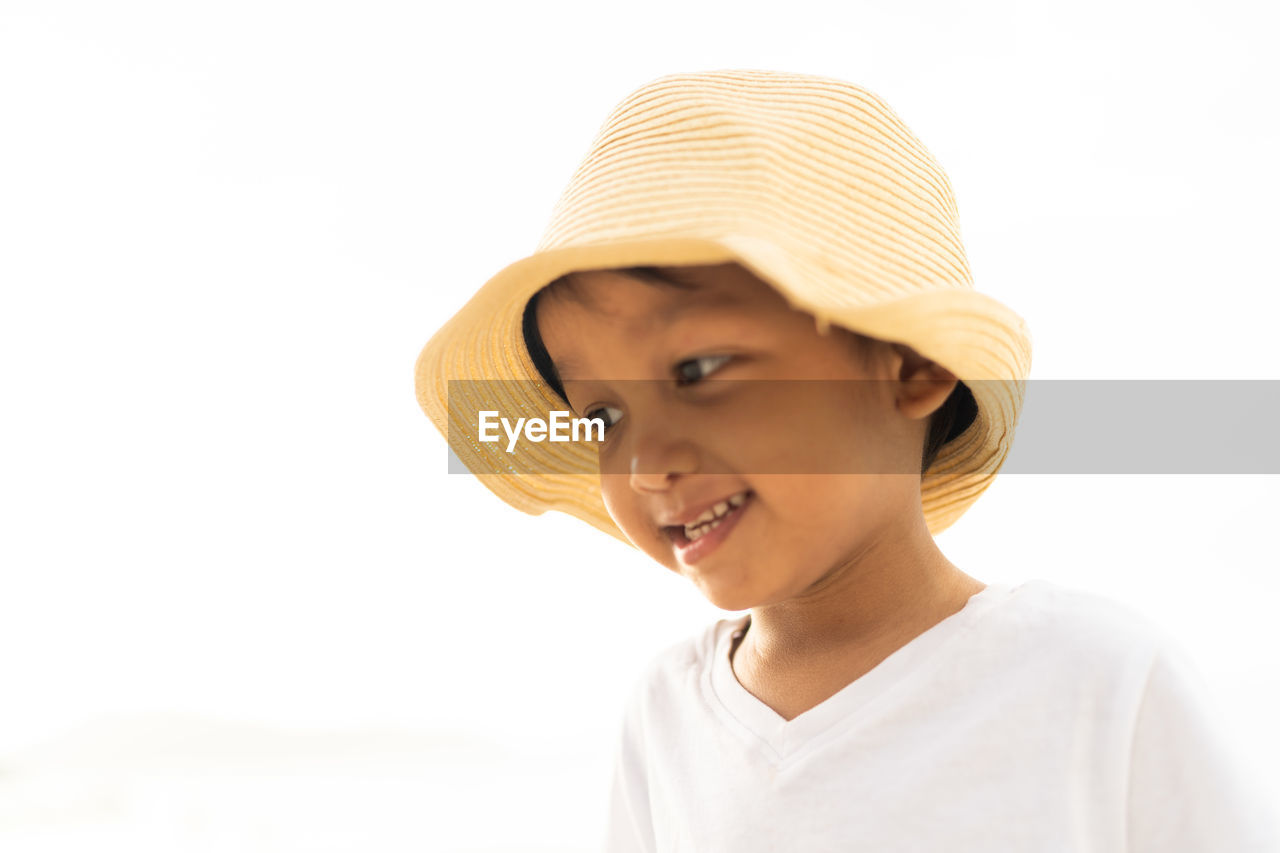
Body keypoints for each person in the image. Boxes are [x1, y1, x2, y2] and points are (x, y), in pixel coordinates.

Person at [414, 70, 1278, 851]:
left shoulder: (1096, 679)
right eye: (601, 414)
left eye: (699, 370)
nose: (644, 463)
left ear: (911, 362)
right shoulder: (667, 715)